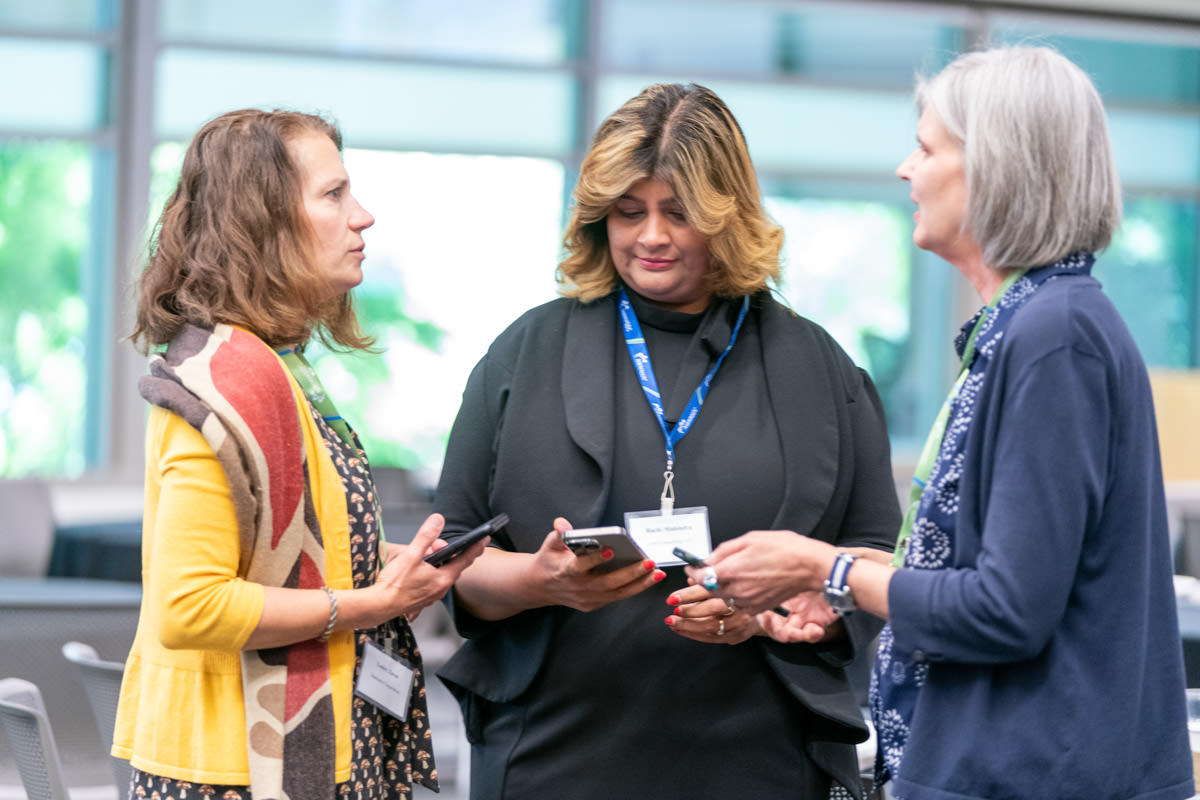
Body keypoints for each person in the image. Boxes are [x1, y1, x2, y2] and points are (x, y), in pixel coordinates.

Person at [699, 45, 1195, 800]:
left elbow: (1006, 610)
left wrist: (824, 567)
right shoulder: (1028, 326)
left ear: (998, 167)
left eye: (927, 149)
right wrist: (842, 590)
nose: (906, 169)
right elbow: (987, 581)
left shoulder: (1052, 337)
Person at [431, 83, 901, 799]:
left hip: (760, 760)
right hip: (555, 758)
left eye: (678, 213)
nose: (650, 235)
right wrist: (540, 580)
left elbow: (873, 568)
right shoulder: (525, 354)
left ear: (728, 217)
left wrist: (777, 617)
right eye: (628, 212)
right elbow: (453, 563)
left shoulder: (819, 368)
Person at [112, 109, 487, 800]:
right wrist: (368, 604)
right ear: (266, 225)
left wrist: (381, 576)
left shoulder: (277, 368)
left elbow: (282, 561)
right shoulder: (228, 378)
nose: (363, 216)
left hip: (291, 752)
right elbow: (189, 606)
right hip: (238, 772)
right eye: (334, 195)